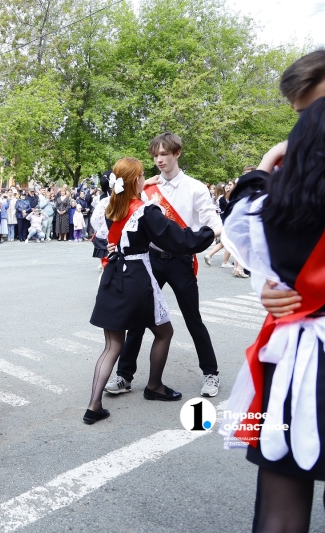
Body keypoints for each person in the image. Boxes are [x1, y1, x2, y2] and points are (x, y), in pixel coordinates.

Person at [219, 96, 325, 533]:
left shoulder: (274, 209)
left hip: (299, 363)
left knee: (280, 507)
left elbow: (241, 218)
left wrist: (267, 161)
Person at [85, 157, 214, 424]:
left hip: (112, 276)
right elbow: (177, 240)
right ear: (137, 181)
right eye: (143, 175)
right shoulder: (146, 211)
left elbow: (98, 242)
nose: (147, 178)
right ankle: (154, 385)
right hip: (137, 277)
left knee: (112, 345)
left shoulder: (107, 207)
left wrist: (111, 248)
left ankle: (94, 406)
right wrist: (208, 233)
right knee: (164, 332)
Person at [105, 133, 224, 398]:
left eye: (164, 154)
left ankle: (211, 374)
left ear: (177, 153)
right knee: (137, 319)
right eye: (155, 155)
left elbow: (210, 221)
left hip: (180, 261)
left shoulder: (195, 187)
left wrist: (216, 233)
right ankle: (124, 375)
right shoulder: (145, 188)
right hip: (150, 261)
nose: (159, 160)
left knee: (193, 318)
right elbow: (120, 213)